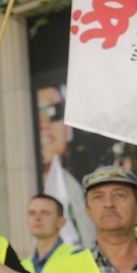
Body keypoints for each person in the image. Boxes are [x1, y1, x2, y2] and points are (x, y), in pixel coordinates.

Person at [37, 86, 94, 247]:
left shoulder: (82, 192)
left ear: (68, 129)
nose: (42, 123)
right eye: (35, 113)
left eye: (53, 111)